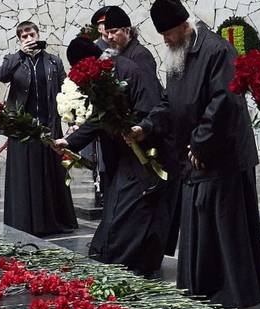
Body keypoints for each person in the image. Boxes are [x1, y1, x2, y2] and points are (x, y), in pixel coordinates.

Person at [129, 0, 260, 309]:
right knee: (201, 225)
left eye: (168, 34)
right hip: (195, 156)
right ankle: (204, 286)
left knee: (224, 225)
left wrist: (201, 142)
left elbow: (225, 102)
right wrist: (147, 126)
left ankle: (232, 292)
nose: (165, 40)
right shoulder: (178, 53)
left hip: (223, 155)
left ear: (183, 25)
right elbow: (170, 101)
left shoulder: (217, 50)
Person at [54, 37, 174, 277]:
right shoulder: (103, 76)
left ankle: (132, 262)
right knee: (121, 212)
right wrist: (70, 142)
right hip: (126, 154)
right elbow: (100, 117)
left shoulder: (129, 69)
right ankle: (122, 259)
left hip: (146, 151)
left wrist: (141, 129)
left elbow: (153, 107)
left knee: (132, 212)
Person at [0, 21, 78, 236]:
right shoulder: (14, 60)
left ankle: (54, 221)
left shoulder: (53, 61)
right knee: (25, 175)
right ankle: (24, 222)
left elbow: (65, 91)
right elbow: (1, 75)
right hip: (22, 128)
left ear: (38, 34)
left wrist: (72, 121)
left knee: (50, 174)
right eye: (24, 37)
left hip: (49, 125)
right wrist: (19, 55)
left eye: (31, 34)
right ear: (20, 40)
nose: (29, 39)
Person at [93, 5, 161, 85]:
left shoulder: (140, 55)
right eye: (108, 32)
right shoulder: (119, 52)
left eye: (114, 31)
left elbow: (149, 92)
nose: (109, 37)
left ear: (127, 31)